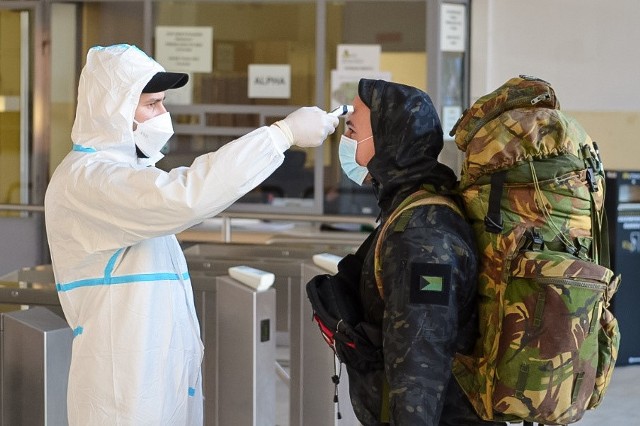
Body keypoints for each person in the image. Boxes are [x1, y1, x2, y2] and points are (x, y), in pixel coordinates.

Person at [44, 43, 338, 425]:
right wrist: (279, 136)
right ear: (112, 111)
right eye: (152, 104)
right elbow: (185, 196)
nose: (163, 115)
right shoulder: (88, 180)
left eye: (164, 103)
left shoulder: (126, 176)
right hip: (122, 394)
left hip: (157, 387)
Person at [335, 79, 505, 425]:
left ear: (388, 136)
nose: (345, 139)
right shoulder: (408, 206)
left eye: (353, 129)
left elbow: (419, 364)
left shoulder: (422, 232)